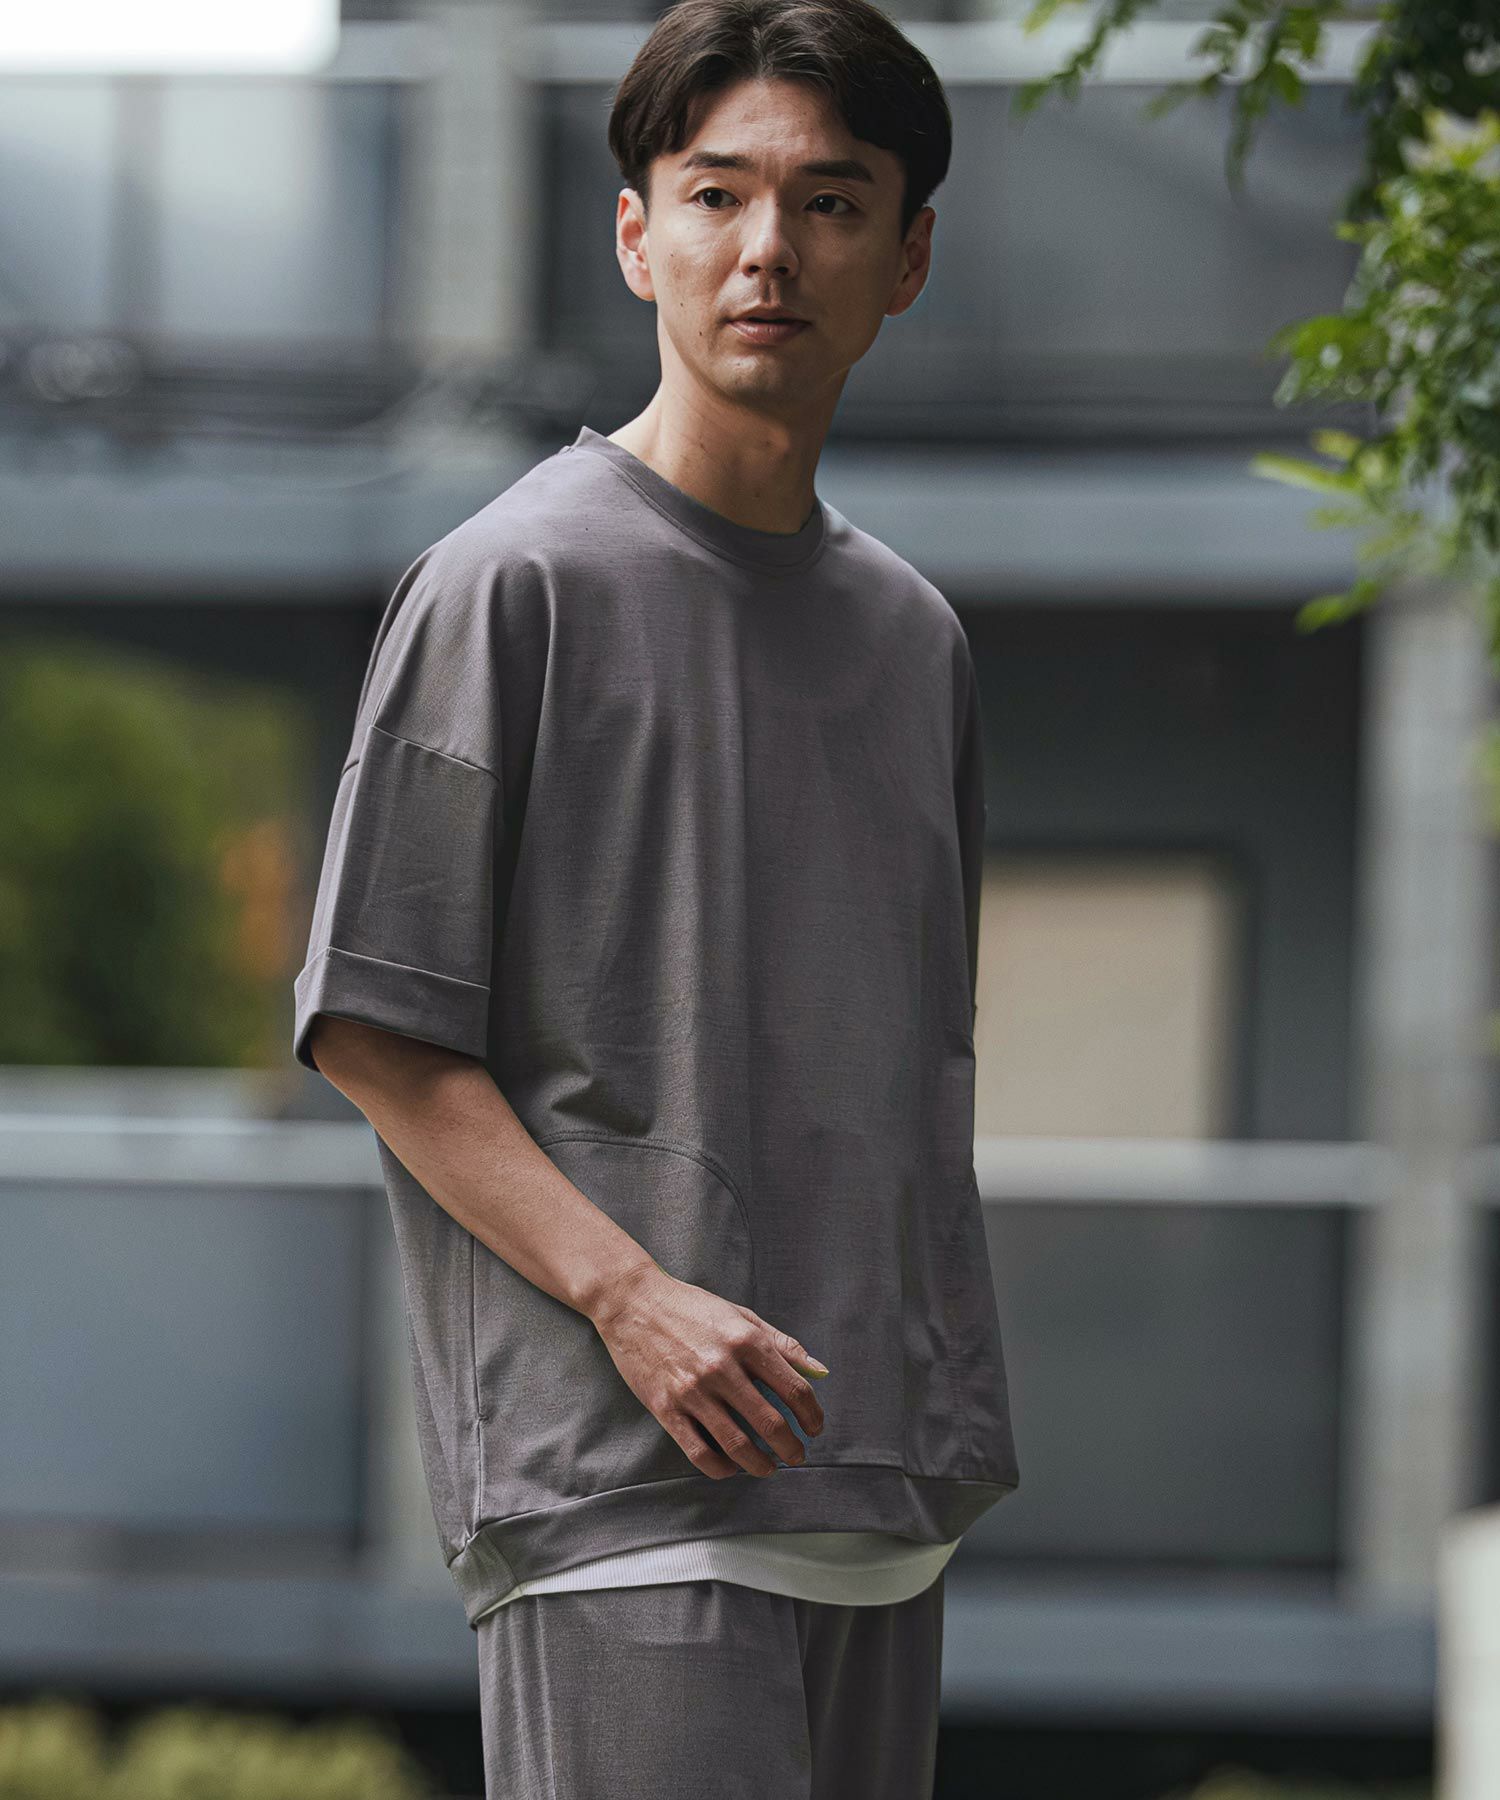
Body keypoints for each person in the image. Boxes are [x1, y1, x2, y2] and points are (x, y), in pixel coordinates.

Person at [291, 0, 1018, 1789]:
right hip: (622, 1484)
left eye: (831, 202)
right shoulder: (510, 582)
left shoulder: (915, 638)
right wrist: (635, 1300)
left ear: (908, 257)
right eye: (717, 195)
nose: (769, 248)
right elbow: (380, 1030)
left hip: (877, 1487)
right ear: (637, 236)